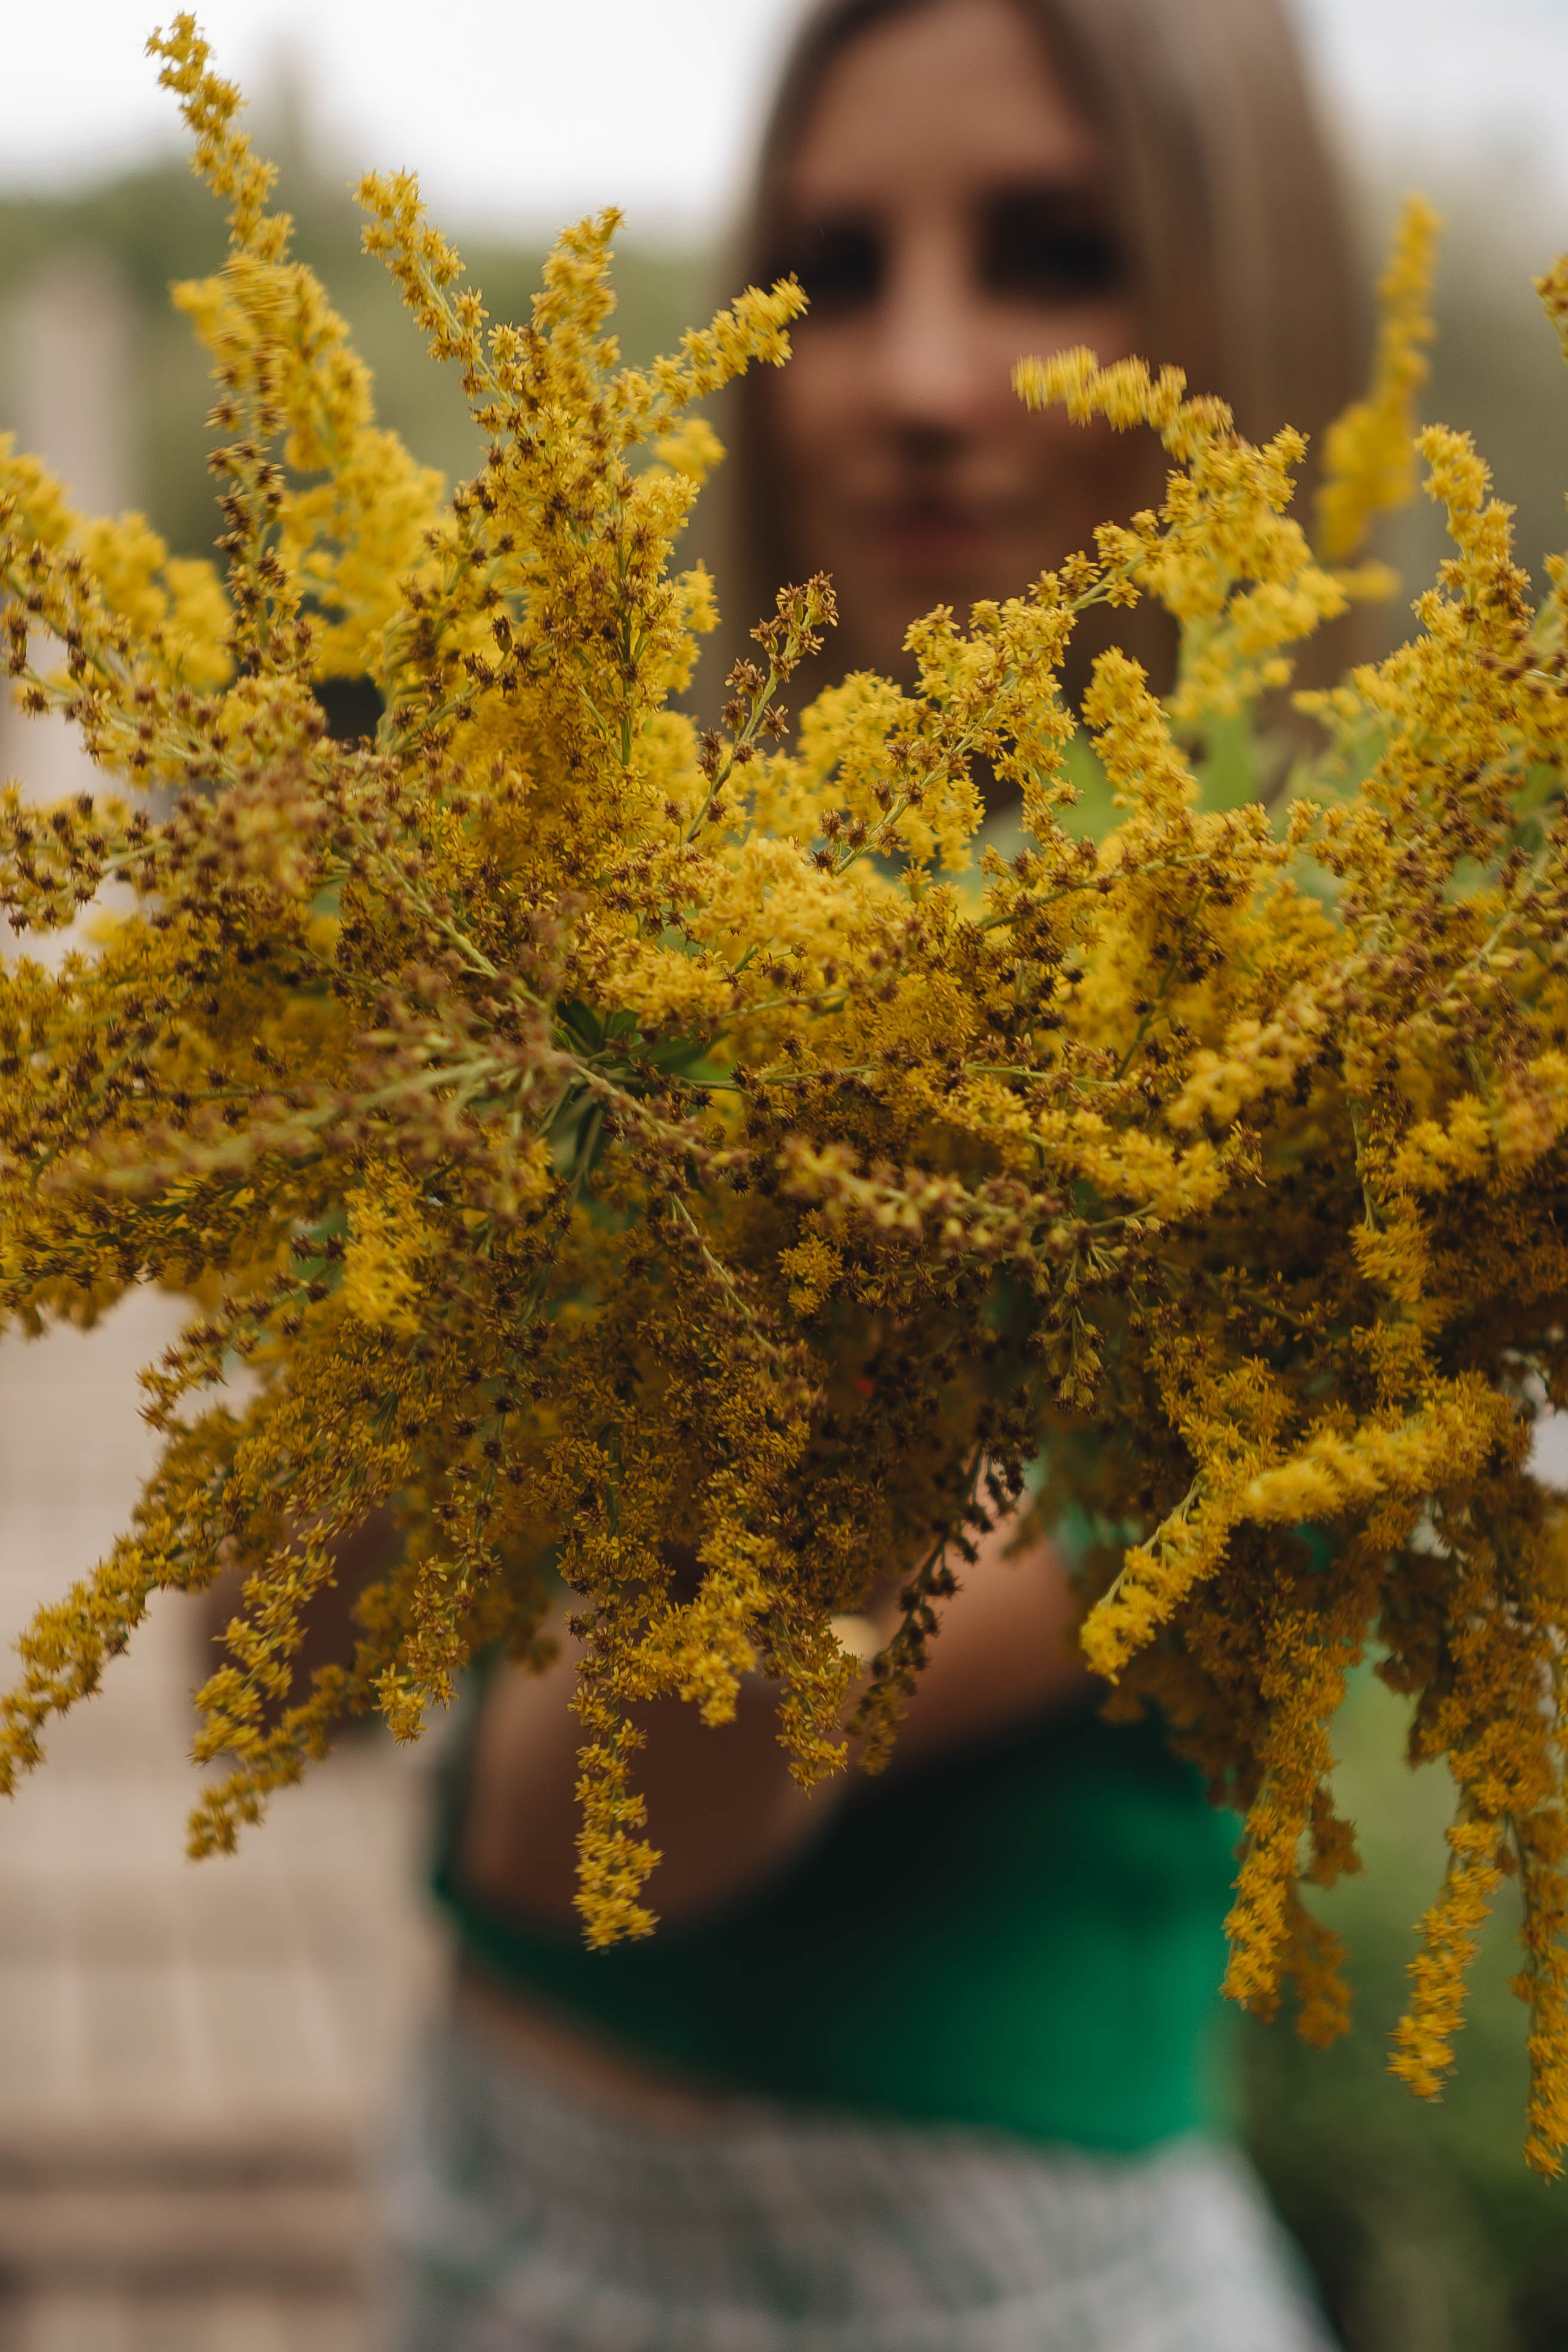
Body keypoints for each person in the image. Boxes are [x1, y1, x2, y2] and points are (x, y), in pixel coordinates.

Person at [380, 2, 1363, 2345]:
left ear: (1255, 314)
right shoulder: (679, 911)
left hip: (963, 2283)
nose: (914, 376)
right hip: (483, 2208)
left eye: (1054, 252)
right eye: (826, 268)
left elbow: (565, 1831)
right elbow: (291, 1665)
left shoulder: (1326, 1114)